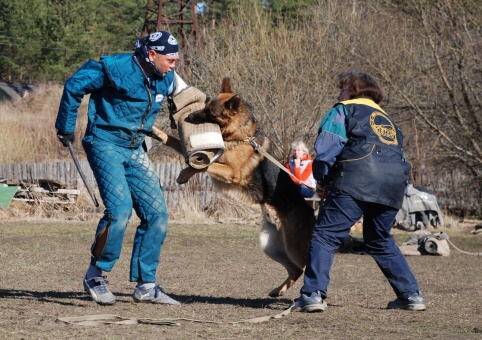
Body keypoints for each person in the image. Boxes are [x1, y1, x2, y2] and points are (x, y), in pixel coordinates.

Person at [55, 31, 203, 306]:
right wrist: (65, 126)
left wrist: (207, 137)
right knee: (119, 210)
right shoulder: (115, 68)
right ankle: (95, 276)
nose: (174, 65)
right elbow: (75, 84)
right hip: (104, 142)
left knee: (157, 213)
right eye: (170, 60)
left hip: (135, 148)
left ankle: (146, 285)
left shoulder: (168, 77)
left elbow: (189, 105)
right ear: (151, 55)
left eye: (176, 60)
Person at [294, 70, 426, 312]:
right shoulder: (390, 123)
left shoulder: (344, 110)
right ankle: (411, 295)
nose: (339, 93)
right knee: (379, 239)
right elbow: (401, 157)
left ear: (353, 90)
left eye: (342, 88)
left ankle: (312, 295)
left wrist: (323, 179)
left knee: (325, 235)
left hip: (356, 180)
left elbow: (327, 148)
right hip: (394, 186)